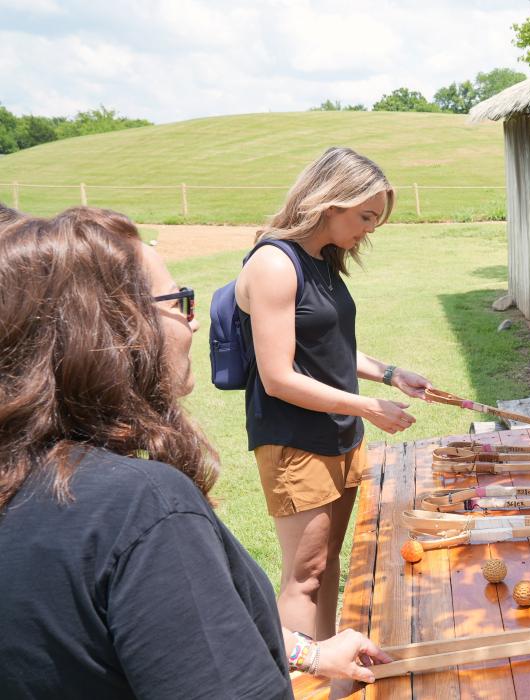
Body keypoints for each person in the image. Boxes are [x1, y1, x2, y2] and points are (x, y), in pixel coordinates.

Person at [0, 208, 391, 699]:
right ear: (114, 329)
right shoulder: (143, 510)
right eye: (180, 301)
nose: (195, 322)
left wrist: (310, 654)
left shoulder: (22, 478)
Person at [236, 147, 432, 639]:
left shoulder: (323, 260)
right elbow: (278, 377)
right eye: (365, 216)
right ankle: (301, 674)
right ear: (331, 202)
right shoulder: (275, 264)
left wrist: (391, 374)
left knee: (327, 564)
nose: (370, 229)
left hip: (341, 433)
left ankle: (329, 665)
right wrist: (368, 406)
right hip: (295, 441)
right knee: (304, 577)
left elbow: (331, 347)